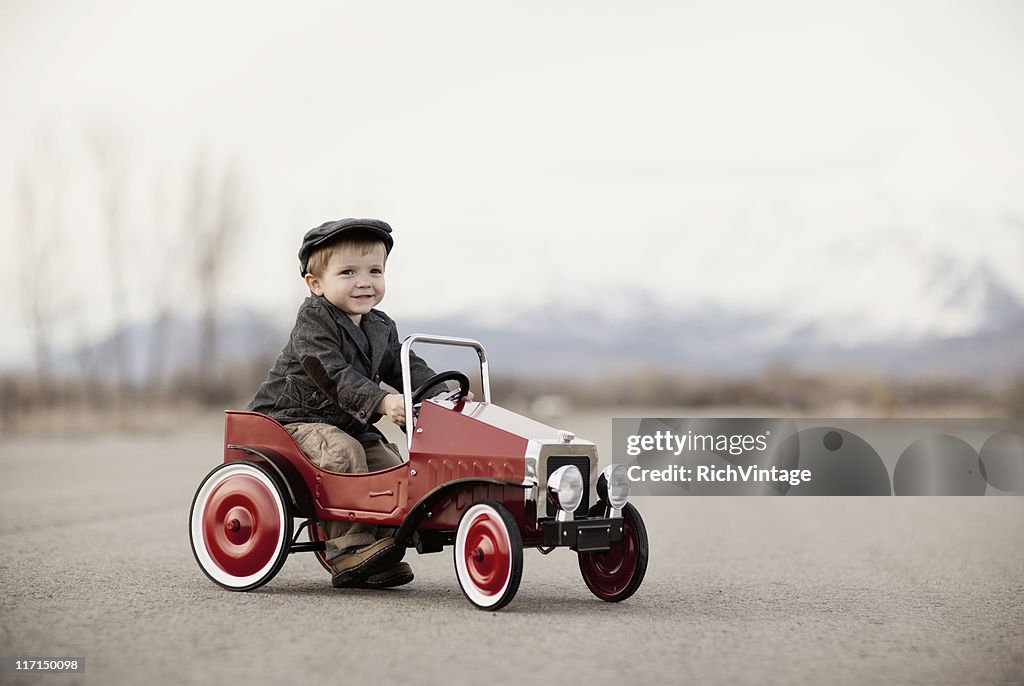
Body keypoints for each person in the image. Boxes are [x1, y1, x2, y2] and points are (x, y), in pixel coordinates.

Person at [248, 218, 443, 589]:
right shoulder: (313, 322)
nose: (365, 281)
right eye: (348, 272)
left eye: (375, 270)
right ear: (316, 283)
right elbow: (333, 373)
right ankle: (347, 549)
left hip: (345, 422)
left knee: (390, 465)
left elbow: (404, 366)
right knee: (342, 453)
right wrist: (383, 401)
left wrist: (438, 393)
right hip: (291, 422)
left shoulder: (379, 326)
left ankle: (382, 546)